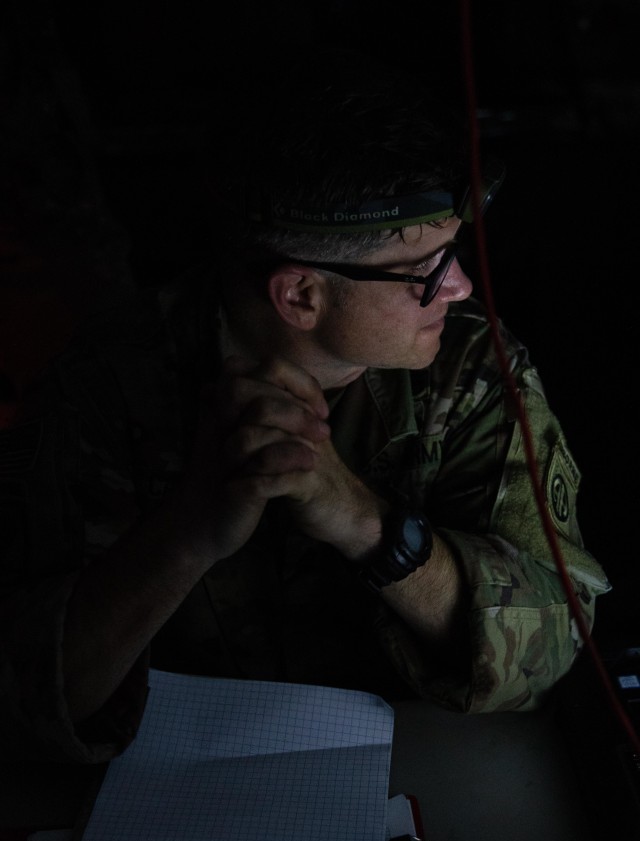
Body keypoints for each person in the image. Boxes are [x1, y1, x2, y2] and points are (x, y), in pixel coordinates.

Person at [0, 47, 610, 763]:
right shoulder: (107, 386)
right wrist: (189, 533)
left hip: (422, 766)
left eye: (456, 253)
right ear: (300, 295)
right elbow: (25, 708)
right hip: (165, 788)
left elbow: (556, 649)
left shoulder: (472, 369)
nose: (462, 289)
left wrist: (368, 525)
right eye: (427, 271)